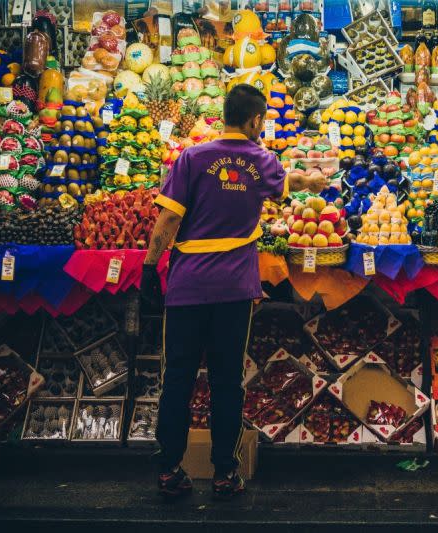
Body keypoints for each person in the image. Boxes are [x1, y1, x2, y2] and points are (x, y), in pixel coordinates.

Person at [141, 84, 296, 501]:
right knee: (228, 382)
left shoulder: (191, 157)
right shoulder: (263, 161)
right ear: (255, 120)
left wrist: (147, 269)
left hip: (187, 286)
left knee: (177, 379)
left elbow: (167, 223)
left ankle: (169, 470)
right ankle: (225, 473)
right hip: (234, 289)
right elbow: (285, 191)